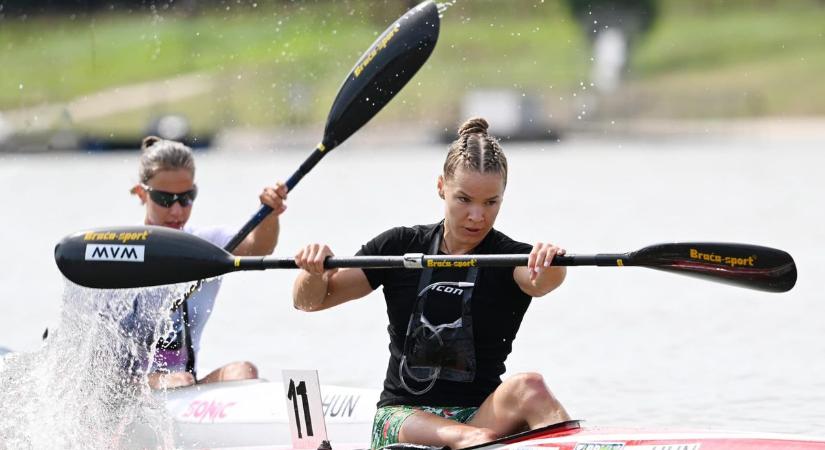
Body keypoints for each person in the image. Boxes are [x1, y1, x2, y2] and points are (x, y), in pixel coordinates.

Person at [292, 118, 570, 449]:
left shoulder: (509, 257)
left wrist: (550, 261)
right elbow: (309, 301)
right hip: (402, 418)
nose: (477, 216)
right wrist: (312, 272)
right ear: (442, 187)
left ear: (503, 196)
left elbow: (542, 281)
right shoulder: (398, 246)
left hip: (478, 416)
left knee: (531, 386)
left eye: (490, 202)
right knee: (473, 438)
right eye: (464, 199)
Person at [131, 136, 287, 390]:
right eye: (164, 199)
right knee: (178, 379)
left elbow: (259, 247)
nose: (177, 211)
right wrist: (155, 380)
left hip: (185, 381)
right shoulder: (121, 249)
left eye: (186, 197)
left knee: (244, 371)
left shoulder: (207, 245)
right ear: (141, 193)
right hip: (127, 386)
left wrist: (269, 213)